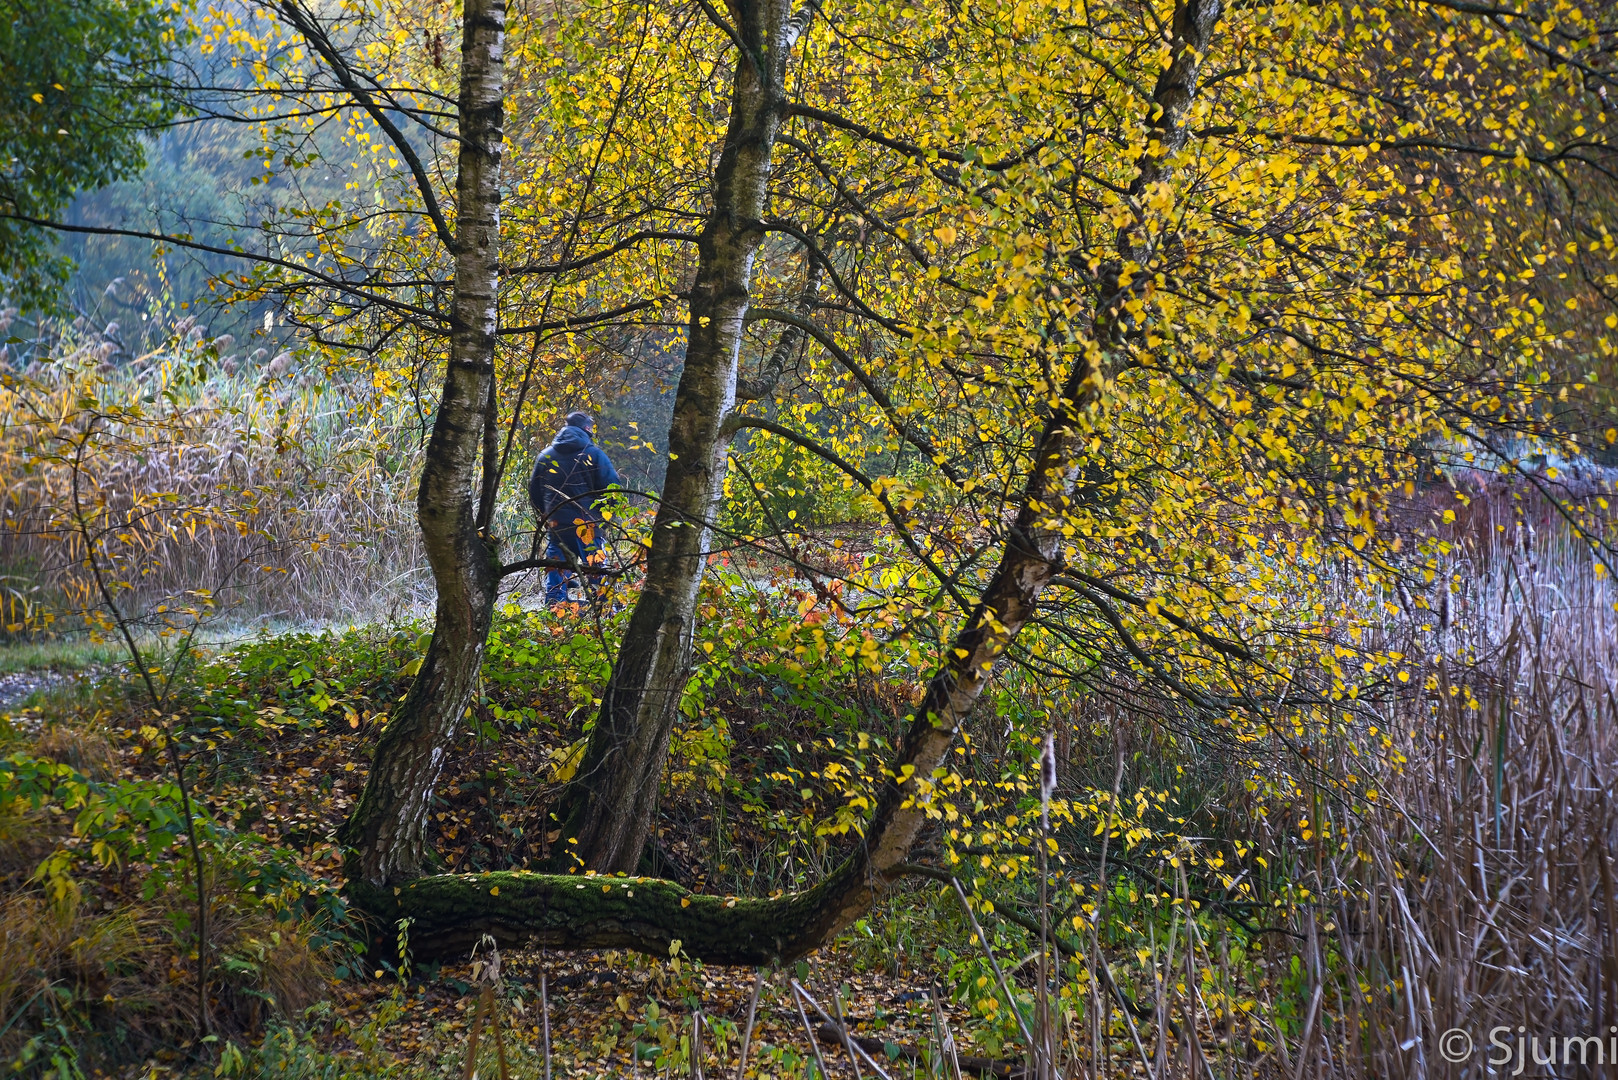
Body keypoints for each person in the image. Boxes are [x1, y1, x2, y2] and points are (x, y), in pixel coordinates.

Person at [528, 411, 621, 606]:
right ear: (587, 429)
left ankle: (555, 608)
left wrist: (547, 514)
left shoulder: (545, 456)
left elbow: (534, 492)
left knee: (556, 567)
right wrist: (605, 517)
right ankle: (603, 608)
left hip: (557, 524)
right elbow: (613, 490)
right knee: (596, 567)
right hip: (587, 525)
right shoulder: (594, 454)